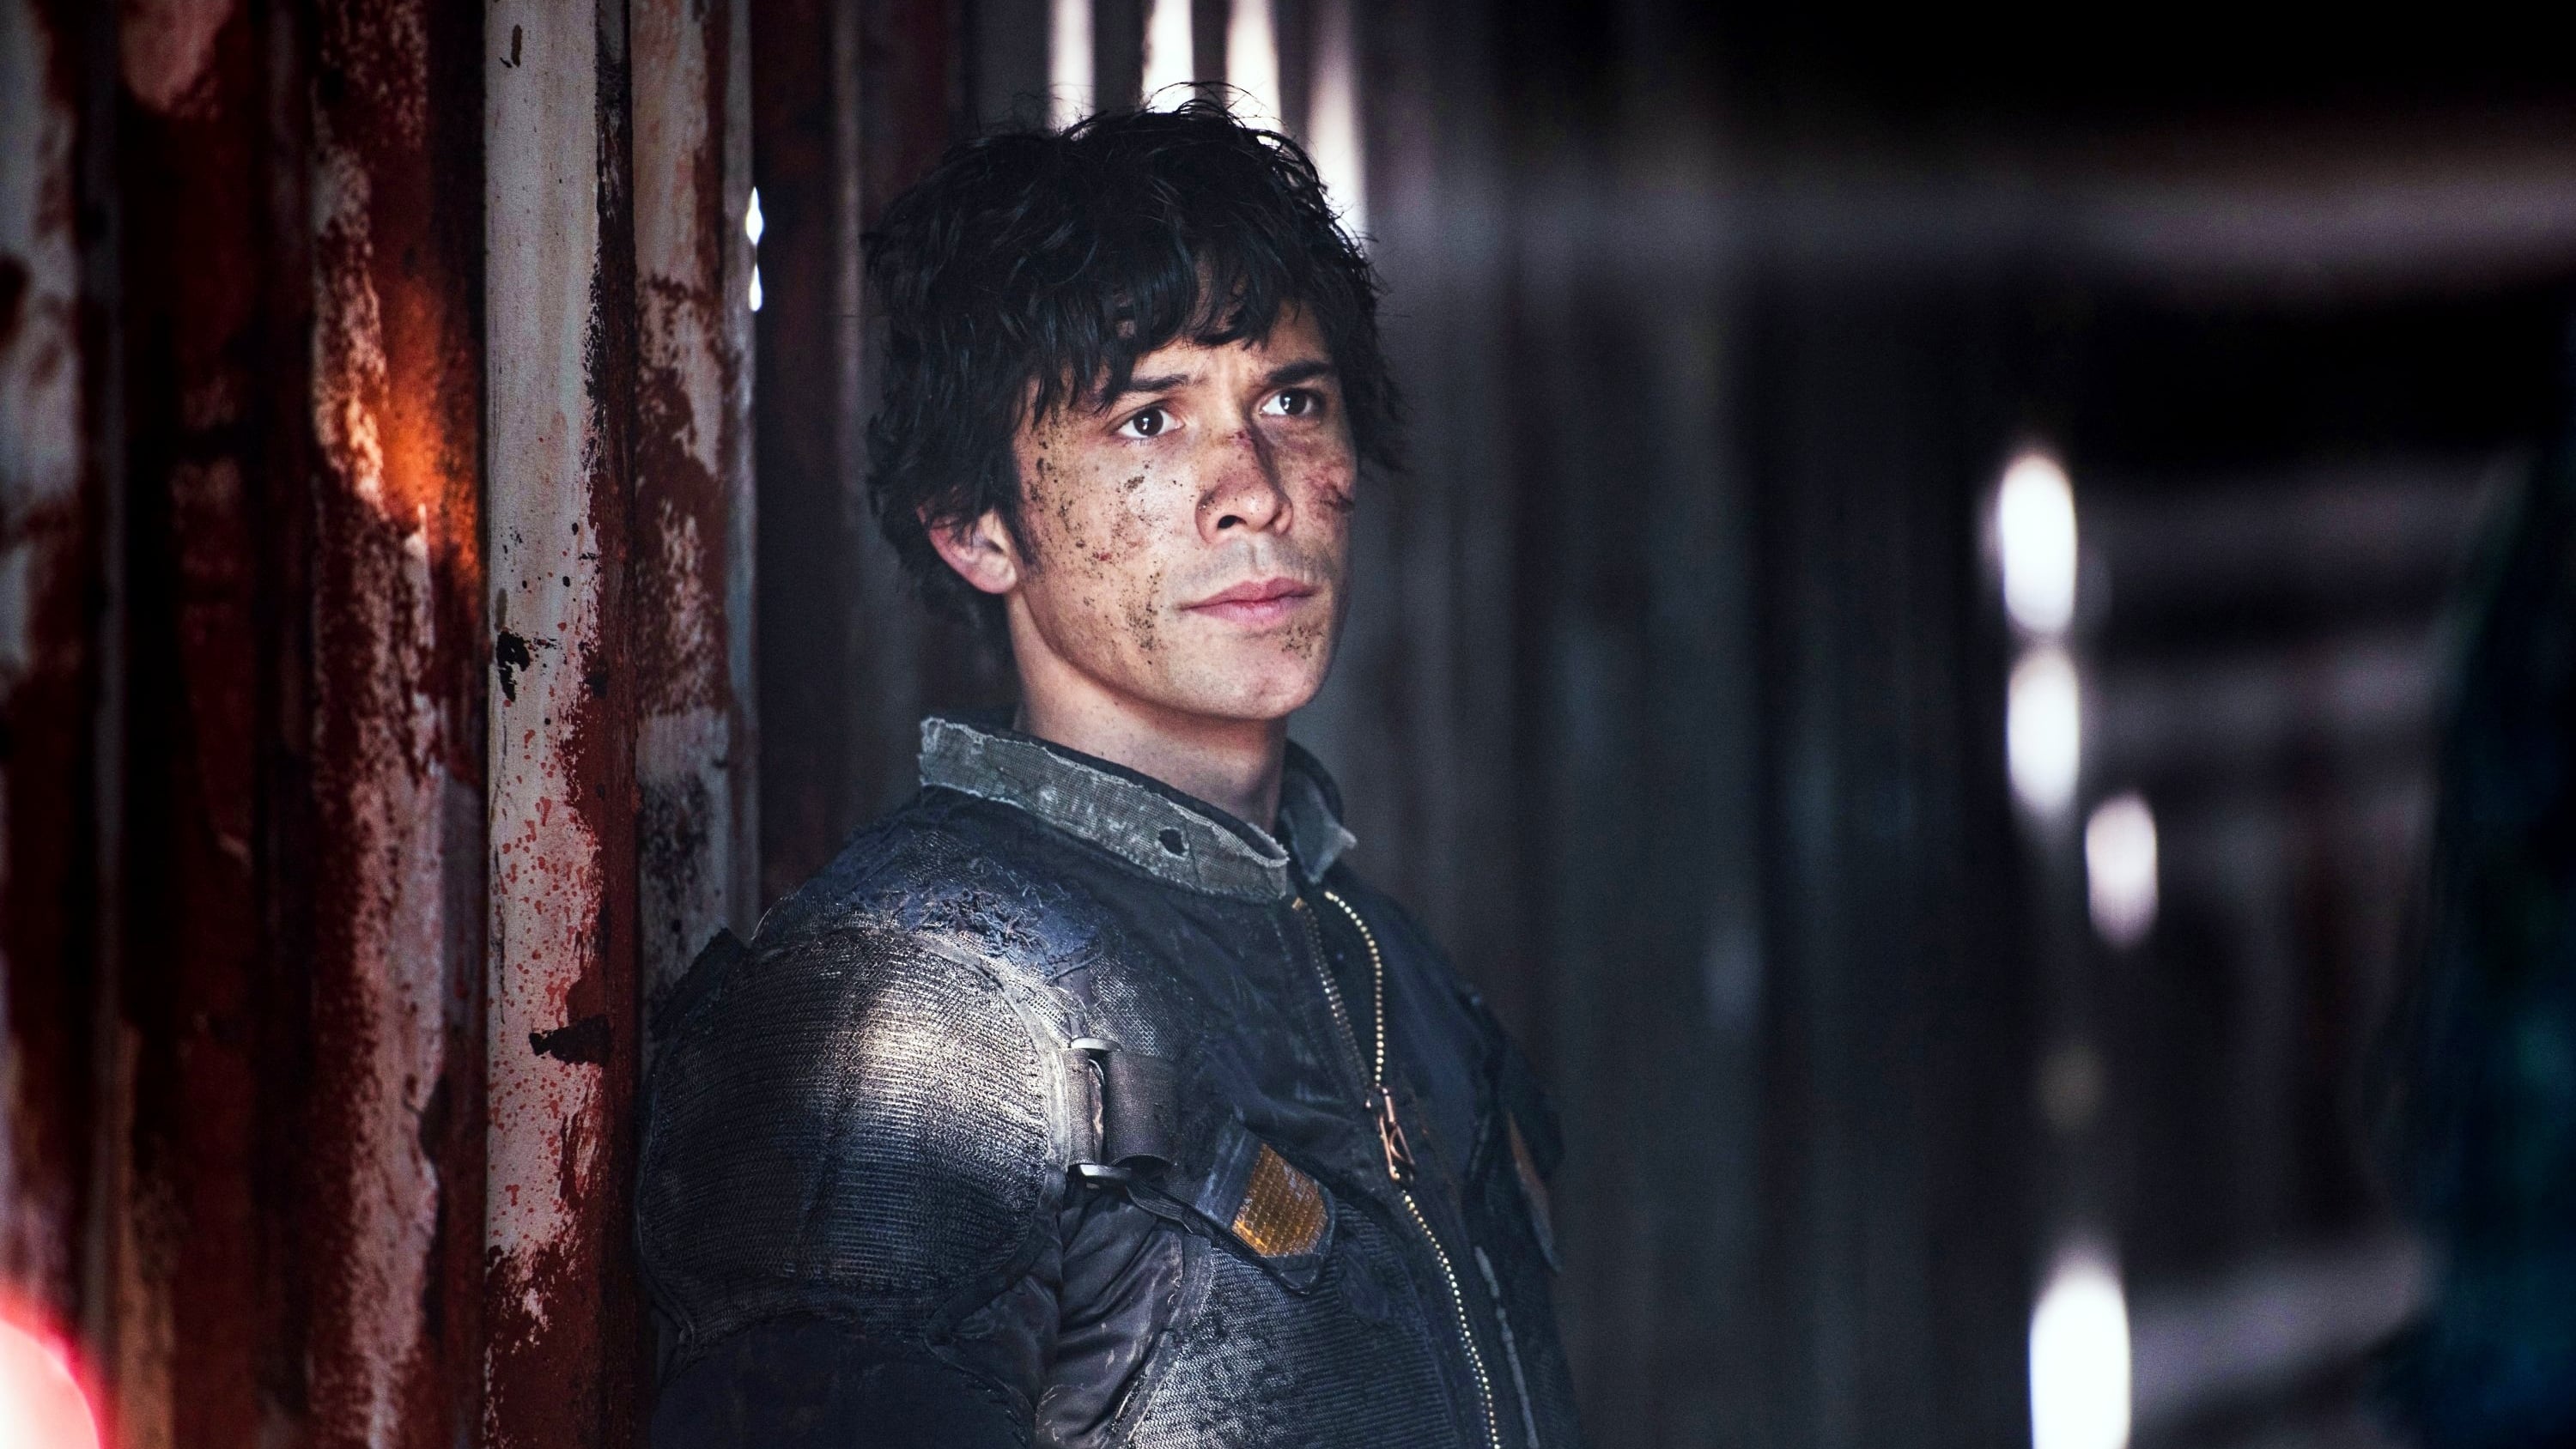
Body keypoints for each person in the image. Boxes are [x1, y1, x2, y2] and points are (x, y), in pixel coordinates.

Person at [634, 102, 1579, 1448]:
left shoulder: (1390, 970)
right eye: (1148, 420)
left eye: (1292, 401)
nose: (1253, 489)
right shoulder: (913, 1008)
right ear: (974, 528)